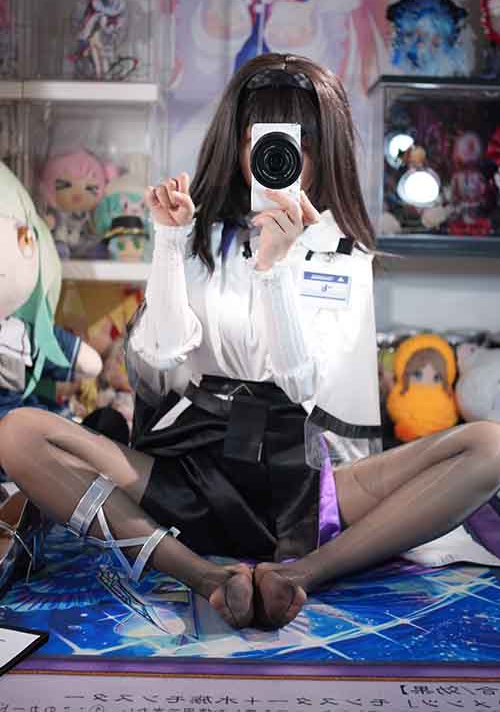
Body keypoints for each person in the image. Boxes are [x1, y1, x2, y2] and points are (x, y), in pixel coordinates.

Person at [0, 53, 499, 632]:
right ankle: (201, 575)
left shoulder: (342, 253)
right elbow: (159, 363)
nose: (279, 158)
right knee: (19, 432)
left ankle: (301, 574)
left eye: (298, 144)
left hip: (304, 480)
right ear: (237, 145)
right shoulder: (197, 236)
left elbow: (304, 384)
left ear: (323, 150)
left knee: (489, 446)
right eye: (261, 139)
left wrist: (274, 270)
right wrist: (170, 244)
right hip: (188, 471)